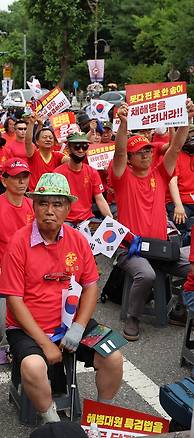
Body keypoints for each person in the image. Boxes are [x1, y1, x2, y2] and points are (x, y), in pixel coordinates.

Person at [0, 173, 123, 424]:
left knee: (113, 356)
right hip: (28, 327)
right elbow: (13, 299)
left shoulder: (77, 240)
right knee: (33, 366)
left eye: (57, 204)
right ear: (33, 206)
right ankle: (52, 420)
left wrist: (78, 327)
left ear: (68, 207)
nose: (49, 210)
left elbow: (90, 286)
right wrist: (44, 343)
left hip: (70, 321)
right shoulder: (18, 242)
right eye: (43, 203)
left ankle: (101, 416)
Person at [111, 101, 194, 340]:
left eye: (148, 150)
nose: (146, 154)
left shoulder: (159, 172)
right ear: (130, 158)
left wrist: (186, 118)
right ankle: (133, 317)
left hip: (162, 248)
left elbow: (176, 148)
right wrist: (124, 124)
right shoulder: (122, 177)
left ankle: (180, 308)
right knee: (146, 275)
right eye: (140, 152)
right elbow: (118, 152)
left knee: (192, 268)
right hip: (131, 249)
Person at [0, 158, 34, 343]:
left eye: (25, 177)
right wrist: (0, 271)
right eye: (17, 177)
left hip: (27, 266)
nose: (22, 182)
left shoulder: (32, 205)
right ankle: (10, 341)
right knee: (8, 293)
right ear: (4, 181)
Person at [54, 132, 112, 225]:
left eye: (84, 146)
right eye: (77, 146)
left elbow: (99, 198)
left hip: (87, 219)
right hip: (65, 221)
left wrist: (111, 221)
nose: (81, 150)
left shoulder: (92, 172)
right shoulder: (58, 173)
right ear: (68, 149)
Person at [24, 115, 68, 191]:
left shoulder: (58, 155)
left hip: (53, 193)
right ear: (37, 142)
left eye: (51, 138)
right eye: (44, 137)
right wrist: (31, 123)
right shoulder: (33, 154)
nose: (48, 139)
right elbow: (28, 141)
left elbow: (74, 161)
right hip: (35, 194)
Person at [167, 125, 194, 244]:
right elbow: (172, 181)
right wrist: (178, 205)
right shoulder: (174, 155)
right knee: (180, 220)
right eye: (189, 134)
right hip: (180, 202)